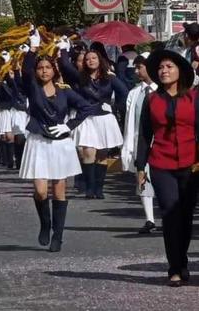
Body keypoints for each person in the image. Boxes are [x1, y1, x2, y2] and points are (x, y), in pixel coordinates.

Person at [17, 37, 95, 252]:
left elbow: (86, 107)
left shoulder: (65, 90)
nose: (43, 71)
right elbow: (25, 71)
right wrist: (32, 49)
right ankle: (45, 224)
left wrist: (69, 126)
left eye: (47, 68)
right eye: (40, 68)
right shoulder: (33, 88)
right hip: (39, 141)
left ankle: (58, 236)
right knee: (41, 191)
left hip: (60, 142)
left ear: (54, 70)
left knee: (59, 190)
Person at [135, 49, 199, 286]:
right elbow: (144, 135)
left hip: (191, 164)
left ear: (180, 71)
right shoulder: (151, 100)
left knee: (185, 215)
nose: (164, 71)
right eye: (161, 68)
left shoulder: (193, 98)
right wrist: (140, 167)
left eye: (169, 67)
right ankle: (174, 267)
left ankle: (182, 261)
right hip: (161, 163)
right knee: (170, 214)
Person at [60, 46, 128, 199]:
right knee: (88, 152)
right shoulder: (80, 77)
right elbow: (64, 65)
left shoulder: (109, 77)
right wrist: (63, 49)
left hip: (104, 118)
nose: (90, 61)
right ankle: (89, 188)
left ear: (100, 60)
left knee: (102, 154)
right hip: (86, 118)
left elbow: (124, 91)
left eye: (94, 58)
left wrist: (113, 104)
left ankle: (99, 188)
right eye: (87, 59)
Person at [121, 53, 158, 234]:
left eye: (139, 67)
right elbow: (130, 122)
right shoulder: (135, 93)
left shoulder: (164, 90)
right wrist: (128, 146)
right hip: (140, 142)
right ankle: (149, 219)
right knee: (142, 178)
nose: (136, 71)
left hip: (160, 143)